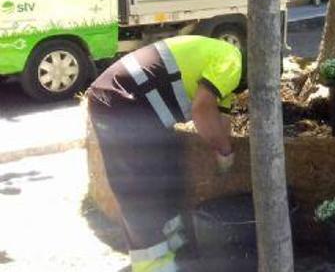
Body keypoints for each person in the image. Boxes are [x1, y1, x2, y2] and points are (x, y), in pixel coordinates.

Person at [86, 35, 242, 272]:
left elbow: (220, 121)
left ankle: (173, 247)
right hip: (120, 97)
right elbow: (201, 110)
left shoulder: (224, 75)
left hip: (135, 100)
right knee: (140, 185)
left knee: (168, 168)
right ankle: (152, 264)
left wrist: (223, 158)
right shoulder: (232, 60)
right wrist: (224, 151)